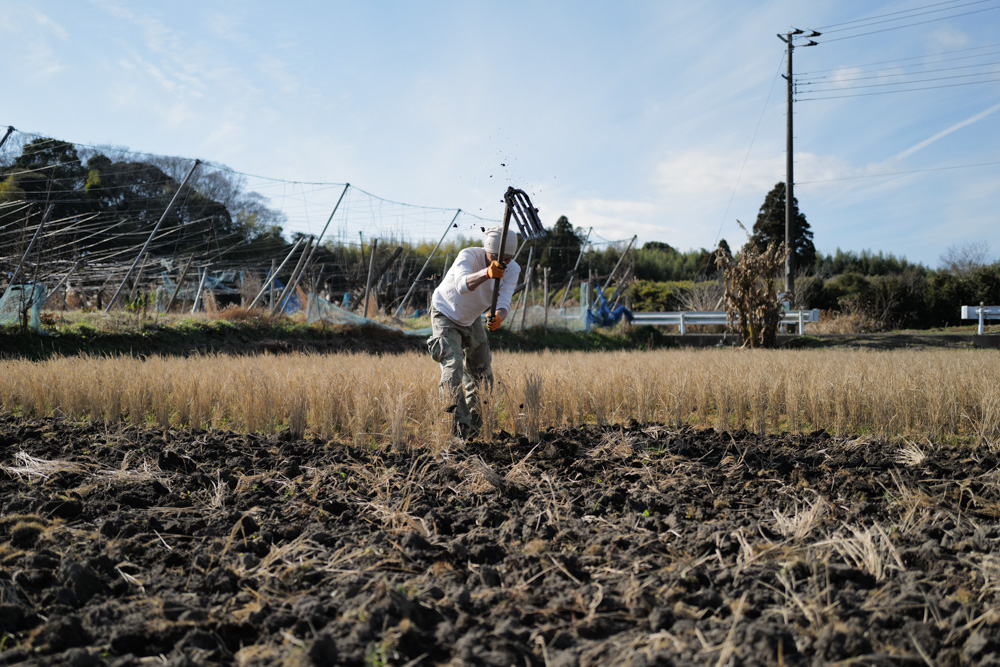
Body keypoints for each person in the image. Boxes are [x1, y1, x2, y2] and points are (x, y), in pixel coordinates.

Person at [427, 225, 520, 438]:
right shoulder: (468, 255)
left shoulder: (513, 269)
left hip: (472, 318)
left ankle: (476, 427)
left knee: (482, 371)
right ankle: (456, 428)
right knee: (453, 367)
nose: (502, 263)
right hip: (445, 312)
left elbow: (504, 301)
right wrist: (487, 273)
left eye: (507, 259)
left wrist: (499, 317)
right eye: (495, 257)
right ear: (487, 249)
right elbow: (461, 285)